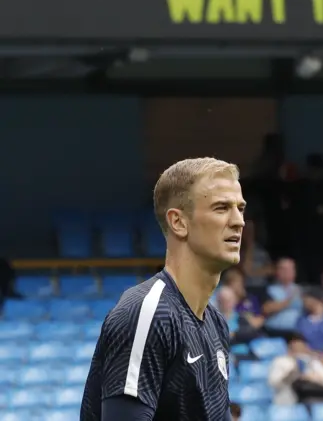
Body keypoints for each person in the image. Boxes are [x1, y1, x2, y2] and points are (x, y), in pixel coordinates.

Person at [81, 157, 245, 421]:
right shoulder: (148, 313)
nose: (239, 221)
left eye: (240, 208)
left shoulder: (216, 324)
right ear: (178, 223)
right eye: (221, 208)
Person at [268, 333, 323, 405]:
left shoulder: (311, 361)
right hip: (287, 401)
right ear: (289, 347)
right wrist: (291, 376)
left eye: (301, 346)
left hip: (311, 399)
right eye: (295, 347)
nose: (299, 349)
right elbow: (273, 383)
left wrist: (311, 378)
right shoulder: (280, 362)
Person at [262, 258, 303, 335]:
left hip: (297, 333)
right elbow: (266, 309)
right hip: (274, 332)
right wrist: (289, 301)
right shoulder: (268, 289)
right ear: (277, 271)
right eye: (283, 269)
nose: (287, 272)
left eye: (291, 269)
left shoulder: (301, 289)